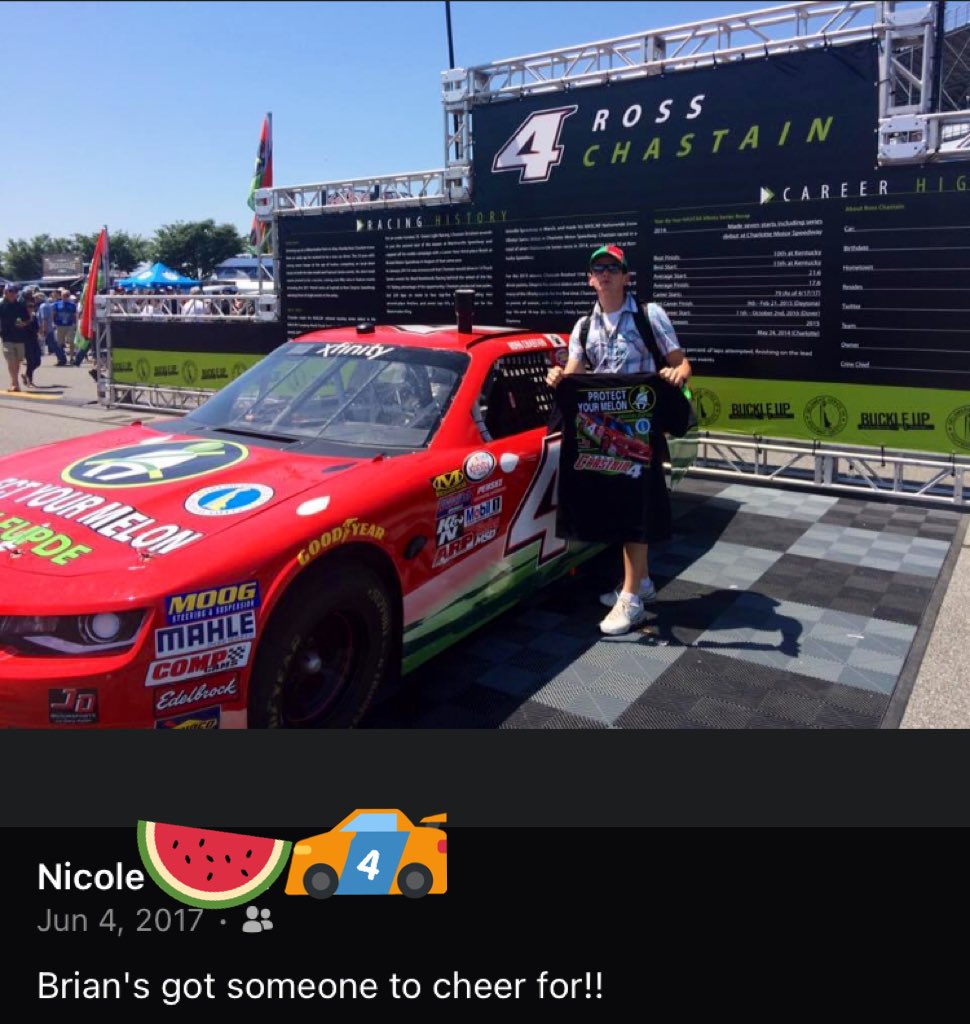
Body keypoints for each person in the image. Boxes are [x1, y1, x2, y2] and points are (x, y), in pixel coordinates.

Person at [546, 243, 692, 636]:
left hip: (640, 430)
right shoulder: (583, 326)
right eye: (599, 268)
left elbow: (681, 362)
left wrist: (678, 375)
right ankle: (640, 583)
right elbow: (574, 373)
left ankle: (631, 598)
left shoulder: (650, 314)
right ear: (590, 278)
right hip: (602, 434)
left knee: (634, 510)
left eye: (614, 267)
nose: (606, 274)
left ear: (627, 276)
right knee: (620, 509)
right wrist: (559, 377)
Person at [0, 283, 30, 391]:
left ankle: (14, 380)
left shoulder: (21, 305)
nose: (13, 293)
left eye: (15, 291)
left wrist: (23, 324)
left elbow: (27, 319)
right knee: (11, 361)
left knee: (17, 362)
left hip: (20, 337)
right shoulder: (1, 305)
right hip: (7, 337)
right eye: (10, 291)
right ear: (5, 293)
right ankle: (15, 383)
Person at [52, 288, 78, 361]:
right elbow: (54, 314)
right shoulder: (56, 304)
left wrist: (75, 324)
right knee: (59, 342)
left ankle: (72, 357)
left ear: (69, 296)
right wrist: (54, 323)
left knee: (71, 342)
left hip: (69, 325)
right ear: (61, 296)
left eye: (67, 295)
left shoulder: (72, 305)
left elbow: (74, 315)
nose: (65, 297)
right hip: (59, 325)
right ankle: (61, 358)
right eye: (63, 295)